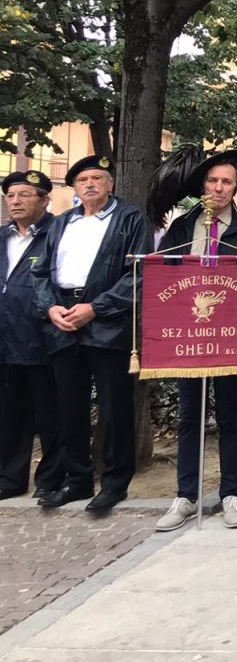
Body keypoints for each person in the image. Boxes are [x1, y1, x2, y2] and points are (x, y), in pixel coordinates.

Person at [155, 150, 237, 531]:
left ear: (235, 187)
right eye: (212, 181)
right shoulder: (183, 226)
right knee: (190, 417)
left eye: (226, 182)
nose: (219, 188)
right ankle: (186, 495)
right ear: (202, 185)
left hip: (232, 337)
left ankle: (231, 493)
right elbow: (163, 275)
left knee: (230, 415)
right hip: (190, 335)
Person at [33, 155, 151, 512]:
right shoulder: (61, 223)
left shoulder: (129, 218)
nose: (89, 184)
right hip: (63, 319)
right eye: (82, 180)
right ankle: (77, 480)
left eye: (97, 178)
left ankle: (115, 483)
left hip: (107, 320)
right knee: (68, 405)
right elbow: (40, 273)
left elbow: (139, 272)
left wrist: (96, 307)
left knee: (115, 405)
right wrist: (51, 308)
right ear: (74, 187)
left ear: (110, 184)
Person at [0, 170, 62, 500]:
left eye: (24, 194)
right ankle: (10, 479)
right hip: (6, 339)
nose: (15, 201)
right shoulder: (2, 237)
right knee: (10, 413)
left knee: (51, 413)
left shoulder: (59, 233)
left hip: (44, 337)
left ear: (44, 200)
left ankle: (51, 480)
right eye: (10, 196)